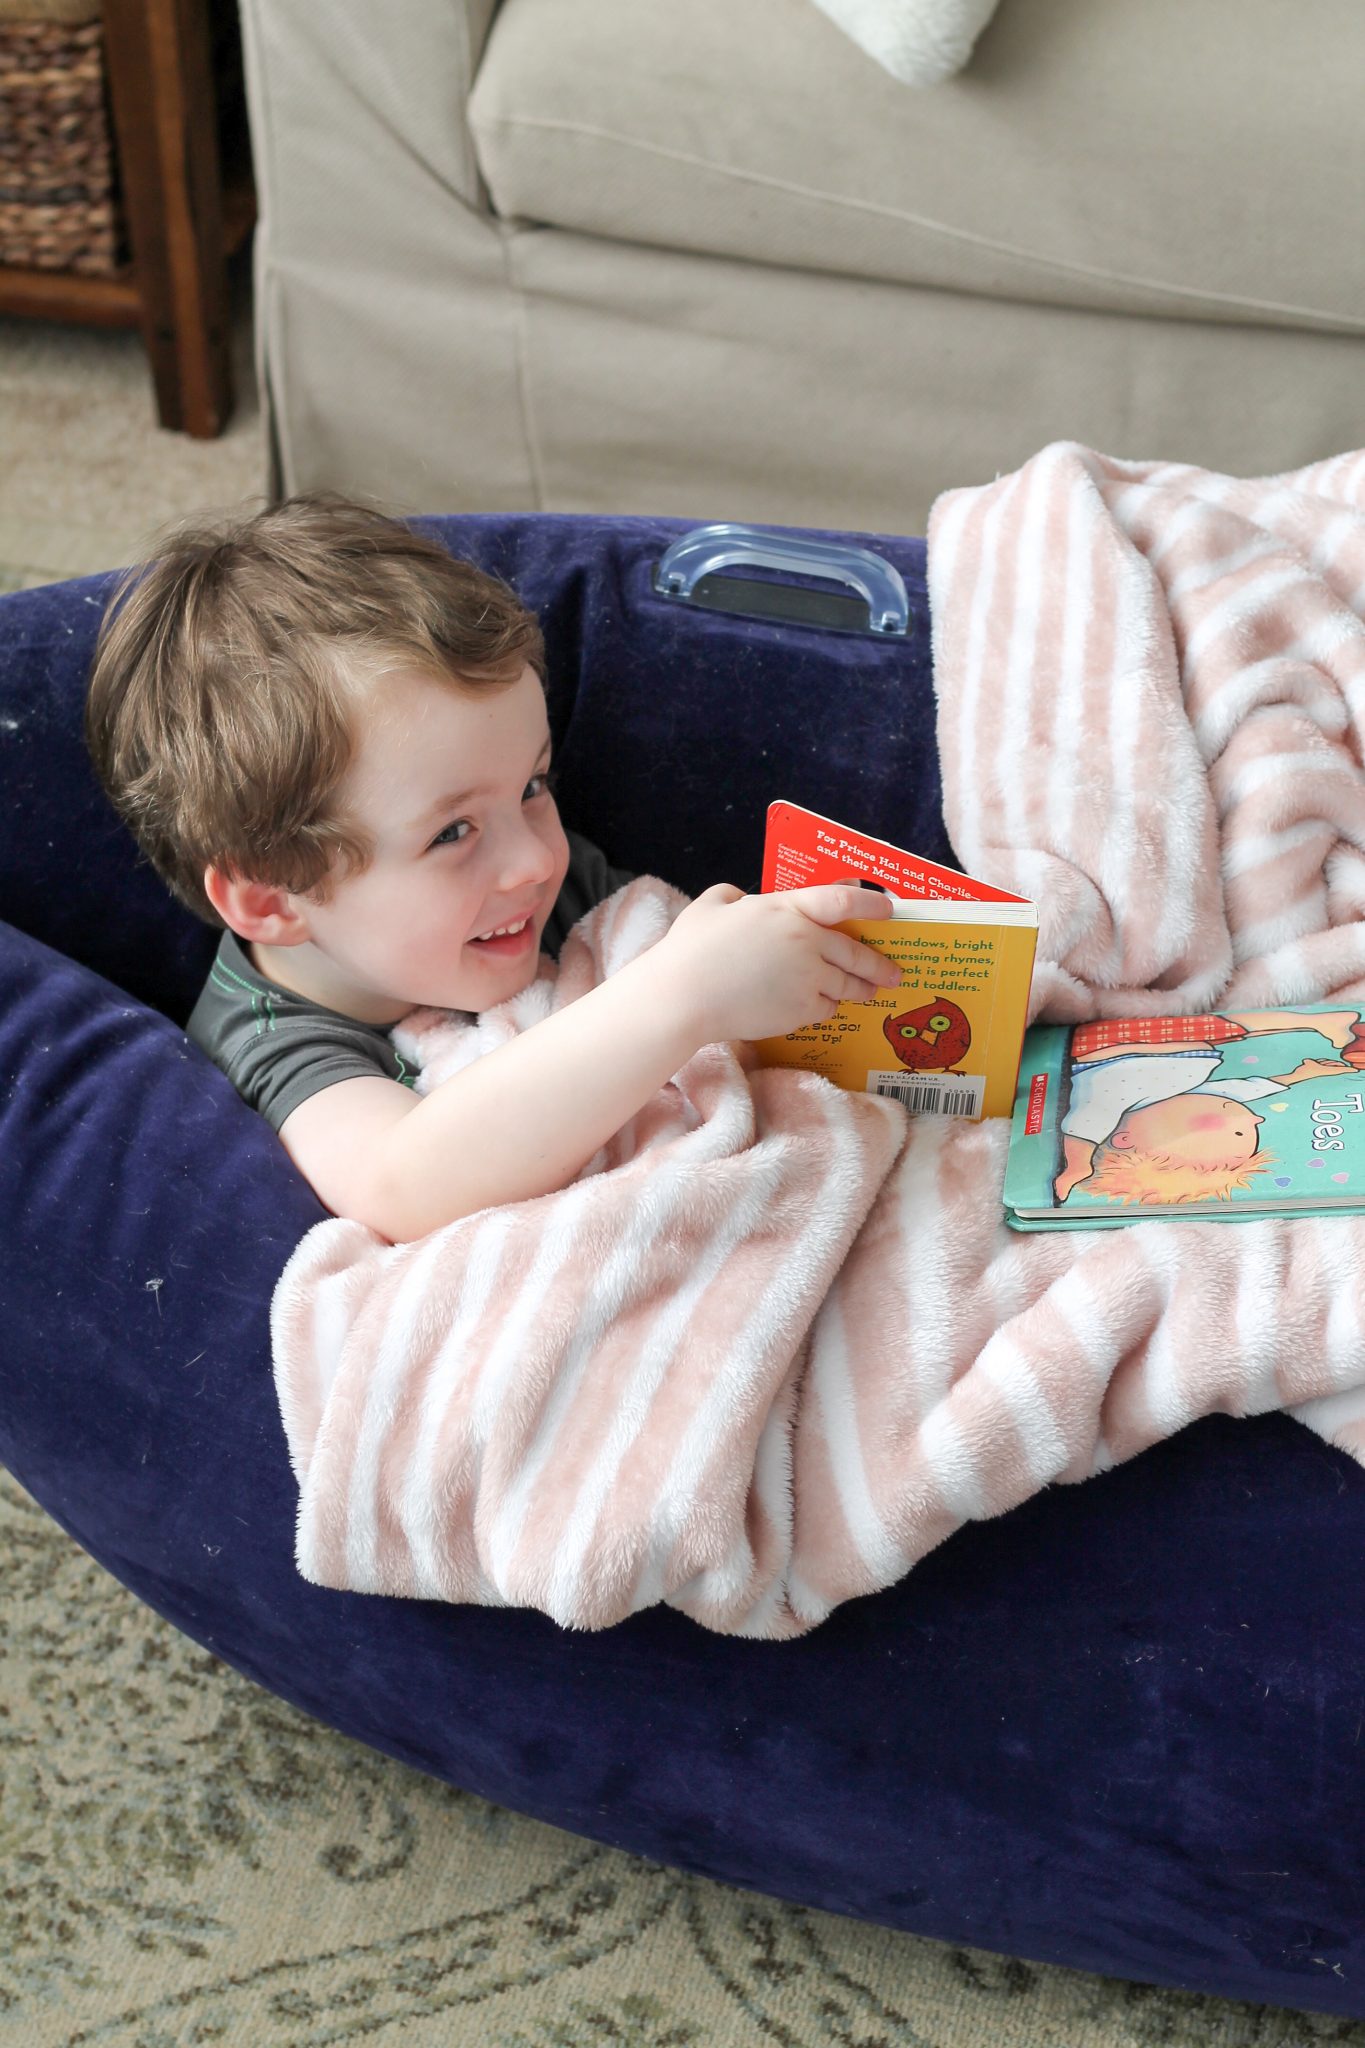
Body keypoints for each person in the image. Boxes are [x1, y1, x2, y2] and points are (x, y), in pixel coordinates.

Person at [84, 493, 902, 1243]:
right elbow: (405, 1184)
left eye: (534, 785)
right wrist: (681, 997)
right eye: (453, 832)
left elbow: (714, 1024)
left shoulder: (531, 886)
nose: (539, 858)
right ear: (271, 898)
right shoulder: (268, 1041)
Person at [1052, 1009, 1365, 1205]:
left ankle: (1318, 1020)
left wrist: (1077, 1165)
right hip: (1190, 1049)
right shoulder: (1178, 1097)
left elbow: (1085, 1125)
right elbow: (1240, 1089)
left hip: (1123, 1048)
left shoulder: (1107, 1095)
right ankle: (1319, 1020)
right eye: (1246, 1131)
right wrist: (1303, 1074)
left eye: (1236, 1132)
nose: (1255, 1119)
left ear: (1125, 1139)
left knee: (1234, 1027)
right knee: (1236, 1028)